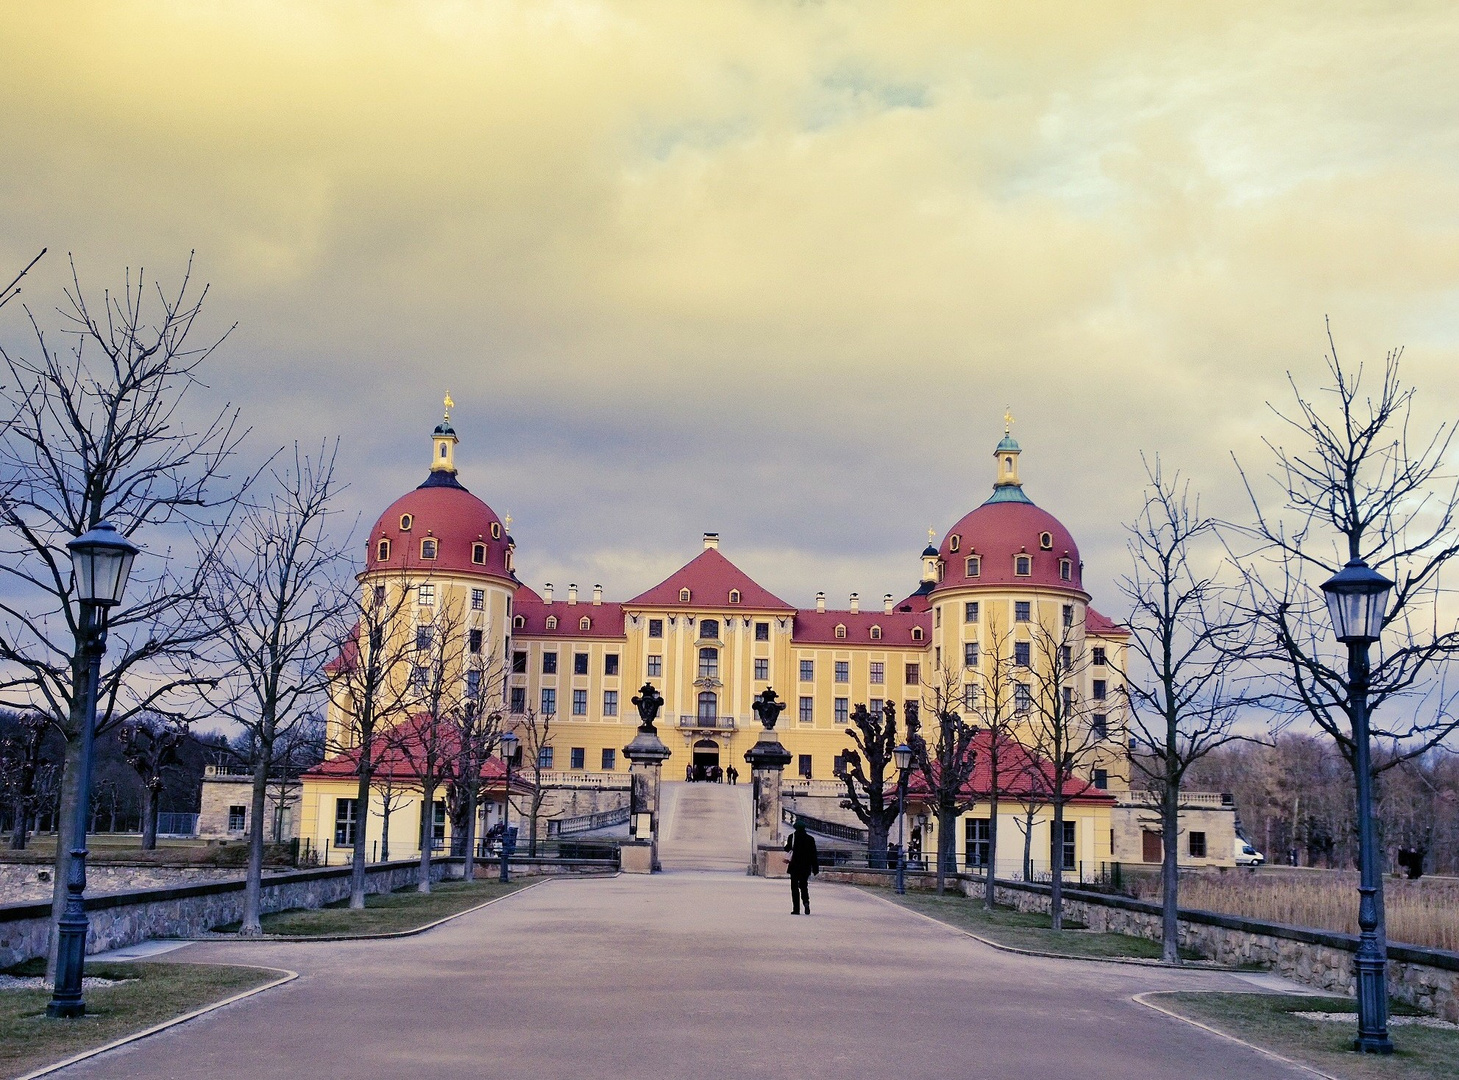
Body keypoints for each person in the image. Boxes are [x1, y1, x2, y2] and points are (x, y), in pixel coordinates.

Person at [784, 818, 820, 914]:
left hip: (794, 866)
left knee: (794, 887)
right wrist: (815, 868)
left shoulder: (792, 837)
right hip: (805, 866)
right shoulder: (810, 839)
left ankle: (796, 909)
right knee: (804, 886)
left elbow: (787, 848)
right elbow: (813, 854)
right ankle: (806, 903)